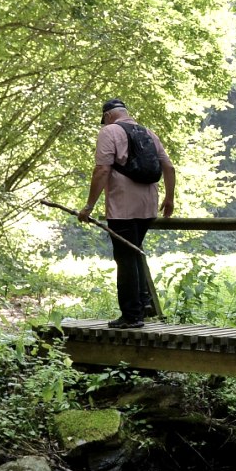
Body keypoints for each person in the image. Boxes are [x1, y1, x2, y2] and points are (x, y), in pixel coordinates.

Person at [81, 98, 175, 328]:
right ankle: (142, 305)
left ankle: (131, 316)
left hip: (122, 206)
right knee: (134, 252)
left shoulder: (109, 131)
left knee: (125, 258)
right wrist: (169, 198)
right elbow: (169, 167)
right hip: (148, 205)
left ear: (107, 116)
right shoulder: (148, 133)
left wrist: (89, 206)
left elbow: (102, 169)